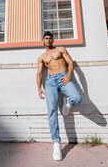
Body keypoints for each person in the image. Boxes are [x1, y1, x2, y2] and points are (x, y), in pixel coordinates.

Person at [36, 31, 82, 161]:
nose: (49, 40)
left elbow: (70, 62)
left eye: (50, 38)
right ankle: (56, 143)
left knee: (77, 98)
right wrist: (39, 88)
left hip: (63, 77)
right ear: (43, 41)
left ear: (53, 40)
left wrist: (68, 75)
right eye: (46, 38)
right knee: (51, 111)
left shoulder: (60, 49)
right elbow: (39, 73)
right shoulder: (42, 57)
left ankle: (68, 103)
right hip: (50, 81)